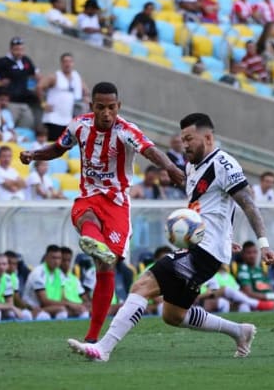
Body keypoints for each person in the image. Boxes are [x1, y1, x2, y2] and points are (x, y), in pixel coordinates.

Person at [67, 112, 274, 361]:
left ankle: (103, 349)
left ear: (208, 137)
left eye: (189, 139)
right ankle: (239, 331)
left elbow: (247, 203)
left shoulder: (224, 164)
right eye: (182, 139)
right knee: (173, 315)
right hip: (205, 246)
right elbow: (211, 207)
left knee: (141, 286)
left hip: (204, 250)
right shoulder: (191, 167)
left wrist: (263, 244)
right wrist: (224, 236)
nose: (185, 145)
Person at [20, 82, 184, 343]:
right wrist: (34, 154)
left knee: (106, 265)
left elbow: (149, 150)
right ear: (91, 107)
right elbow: (59, 147)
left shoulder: (126, 130)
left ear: (118, 107)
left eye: (111, 107)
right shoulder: (79, 125)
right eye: (100, 107)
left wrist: (171, 167)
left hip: (117, 204)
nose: (106, 113)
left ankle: (93, 336)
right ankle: (92, 239)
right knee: (86, 218)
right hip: (89, 196)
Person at [37, 53, 90, 141]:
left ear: (73, 63)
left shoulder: (76, 78)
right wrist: (43, 104)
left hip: (67, 120)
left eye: (70, 61)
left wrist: (86, 98)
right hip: (53, 118)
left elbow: (86, 91)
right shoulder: (55, 76)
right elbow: (39, 87)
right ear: (61, 63)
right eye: (65, 61)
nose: (67, 64)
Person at [0, 37, 41, 130]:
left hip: (24, 102)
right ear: (11, 49)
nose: (19, 52)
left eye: (21, 49)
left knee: (27, 126)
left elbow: (36, 75)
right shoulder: (3, 62)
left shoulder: (26, 60)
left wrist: (40, 85)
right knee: (8, 127)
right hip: (10, 102)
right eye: (16, 49)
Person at [22, 245, 70, 320]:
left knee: (82, 311)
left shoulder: (60, 273)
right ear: (46, 258)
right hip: (33, 309)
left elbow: (63, 297)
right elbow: (44, 301)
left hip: (50, 307)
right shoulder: (38, 273)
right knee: (47, 316)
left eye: (59, 258)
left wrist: (77, 306)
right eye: (53, 258)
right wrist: (69, 304)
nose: (56, 261)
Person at [60, 246, 91, 318]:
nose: (66, 263)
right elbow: (62, 299)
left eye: (69, 260)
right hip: (67, 307)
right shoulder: (56, 276)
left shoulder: (74, 278)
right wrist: (76, 305)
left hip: (79, 307)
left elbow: (84, 297)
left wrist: (87, 304)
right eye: (64, 260)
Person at [5, 251, 36, 317]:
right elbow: (16, 300)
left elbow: (16, 298)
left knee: (27, 314)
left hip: (9, 307)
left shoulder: (14, 277)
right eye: (10, 263)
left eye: (15, 264)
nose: (13, 266)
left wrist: (29, 308)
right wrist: (29, 308)